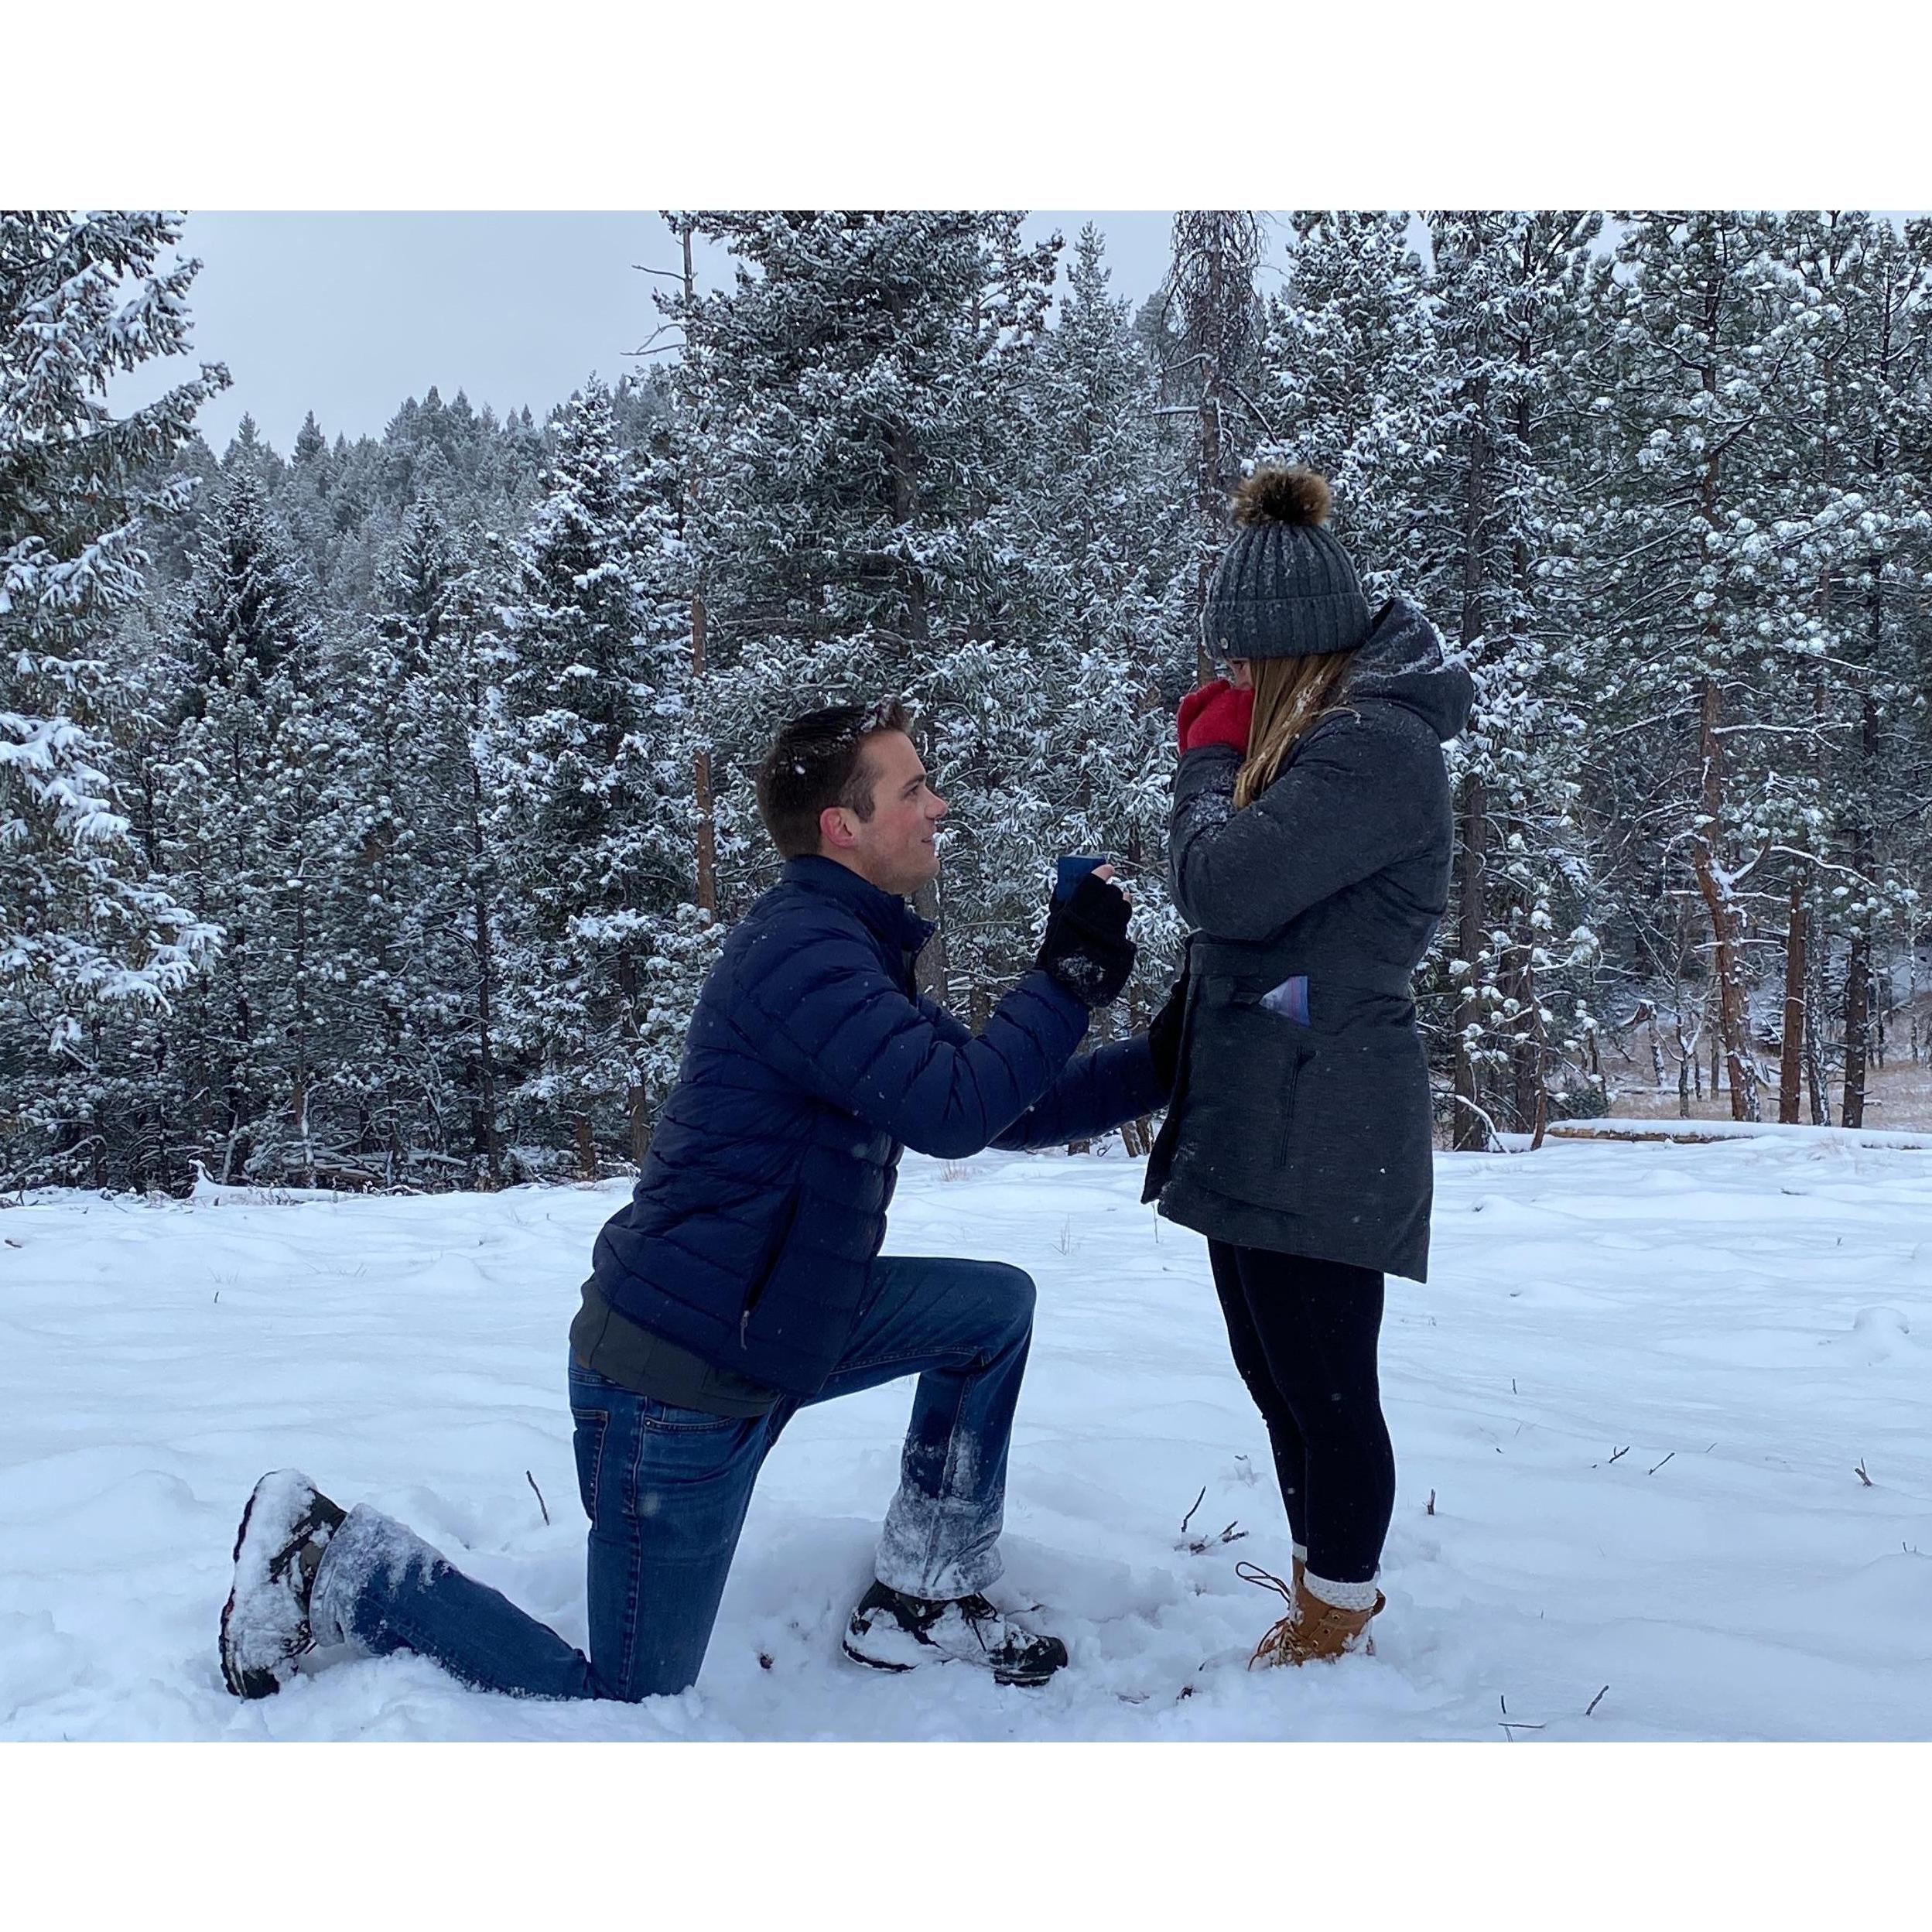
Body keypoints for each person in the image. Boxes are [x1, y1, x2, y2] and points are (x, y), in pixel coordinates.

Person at [219, 699, 1174, 1703]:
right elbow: (948, 1109)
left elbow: (992, 1102)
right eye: (911, 788)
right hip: (676, 1377)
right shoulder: (805, 959)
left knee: (989, 1313)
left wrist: (1161, 1063)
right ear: (840, 827)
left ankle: (926, 1591)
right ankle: (334, 1558)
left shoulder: (844, 948)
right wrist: (1064, 976)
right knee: (629, 1697)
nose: (937, 805)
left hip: (774, 1321)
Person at [1142, 466, 1473, 1666]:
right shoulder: (1323, 743)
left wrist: (1198, 767)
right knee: (1278, 1379)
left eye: (1236, 665)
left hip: (1325, 1113)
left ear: (1284, 658)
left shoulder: (1372, 750)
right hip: (1267, 1098)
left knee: (1327, 1387)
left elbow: (1221, 886)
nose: (1220, 681)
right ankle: (1313, 1594)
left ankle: (1335, 1622)